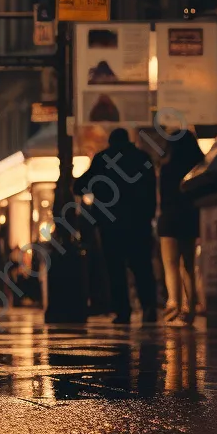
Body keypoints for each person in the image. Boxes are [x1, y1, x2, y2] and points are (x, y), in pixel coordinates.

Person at [74, 127, 158, 324]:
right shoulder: (142, 158)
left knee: (115, 269)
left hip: (110, 225)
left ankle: (123, 311)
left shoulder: (103, 159)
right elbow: (152, 191)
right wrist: (148, 216)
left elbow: (80, 186)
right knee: (142, 267)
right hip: (139, 223)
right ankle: (149, 308)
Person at [158, 130, 204, 324]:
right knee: (189, 265)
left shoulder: (167, 168)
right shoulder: (197, 168)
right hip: (190, 217)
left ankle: (174, 304)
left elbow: (161, 196)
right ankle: (190, 307)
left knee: (170, 265)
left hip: (169, 217)